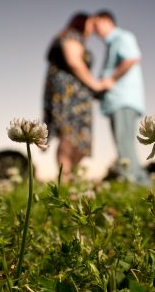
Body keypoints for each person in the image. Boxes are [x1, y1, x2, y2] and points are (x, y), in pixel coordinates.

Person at [43, 12, 111, 178]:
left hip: (78, 97)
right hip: (68, 96)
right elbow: (74, 61)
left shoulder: (72, 38)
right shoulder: (72, 36)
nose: (93, 30)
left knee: (79, 141)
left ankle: (69, 177)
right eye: (90, 25)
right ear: (81, 23)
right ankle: (64, 181)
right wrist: (96, 84)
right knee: (68, 137)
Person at [94, 10, 151, 185]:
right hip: (116, 101)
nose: (95, 30)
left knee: (125, 144)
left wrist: (110, 79)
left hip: (123, 100)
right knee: (123, 143)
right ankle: (136, 181)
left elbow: (132, 58)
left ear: (107, 21)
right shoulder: (112, 43)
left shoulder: (122, 37)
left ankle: (137, 183)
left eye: (96, 25)